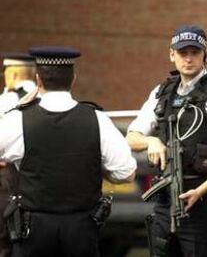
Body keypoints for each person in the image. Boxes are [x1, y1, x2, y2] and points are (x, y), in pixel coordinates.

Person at [0, 46, 137, 257]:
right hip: (81, 230)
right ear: (73, 79)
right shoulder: (97, 120)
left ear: (38, 80)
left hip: (32, 232)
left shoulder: (17, 120)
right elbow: (126, 173)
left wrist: (17, 108)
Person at [127, 25, 207, 257]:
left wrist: (201, 190)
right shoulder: (162, 93)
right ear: (172, 55)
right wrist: (151, 142)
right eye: (183, 53)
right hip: (165, 203)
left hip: (202, 204)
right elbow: (131, 137)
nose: (189, 58)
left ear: (205, 55)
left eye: (195, 52)